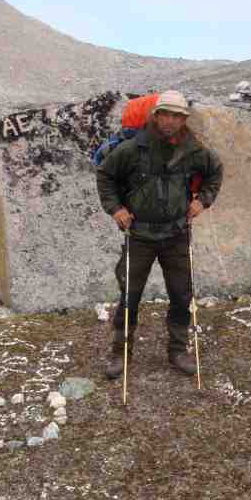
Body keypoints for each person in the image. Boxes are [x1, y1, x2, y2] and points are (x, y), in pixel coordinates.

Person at [96, 90, 223, 379]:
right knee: (129, 295)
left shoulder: (194, 150)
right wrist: (115, 209)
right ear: (156, 115)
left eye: (177, 115)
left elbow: (215, 171)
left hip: (176, 234)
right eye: (165, 114)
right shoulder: (132, 148)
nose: (170, 120)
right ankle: (120, 353)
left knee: (181, 295)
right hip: (139, 234)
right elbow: (105, 175)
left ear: (184, 119)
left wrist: (202, 200)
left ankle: (178, 351)